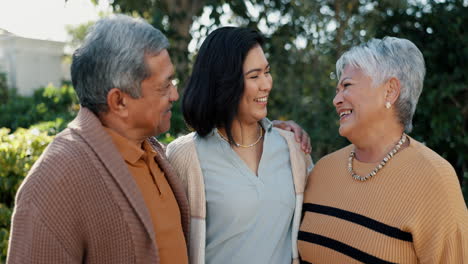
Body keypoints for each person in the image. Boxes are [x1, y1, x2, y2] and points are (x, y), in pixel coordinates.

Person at [7, 15, 190, 263]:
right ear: (119, 101)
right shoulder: (55, 180)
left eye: (173, 81)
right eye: (164, 86)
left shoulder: (154, 152)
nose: (175, 95)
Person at [298, 37, 467, 263]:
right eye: (337, 90)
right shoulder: (323, 170)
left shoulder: (434, 179)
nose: (336, 100)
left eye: (347, 86)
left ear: (390, 91)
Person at [166, 27, 313, 264]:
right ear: (224, 83)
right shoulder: (184, 156)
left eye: (267, 72)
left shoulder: (292, 147)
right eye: (254, 76)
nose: (266, 84)